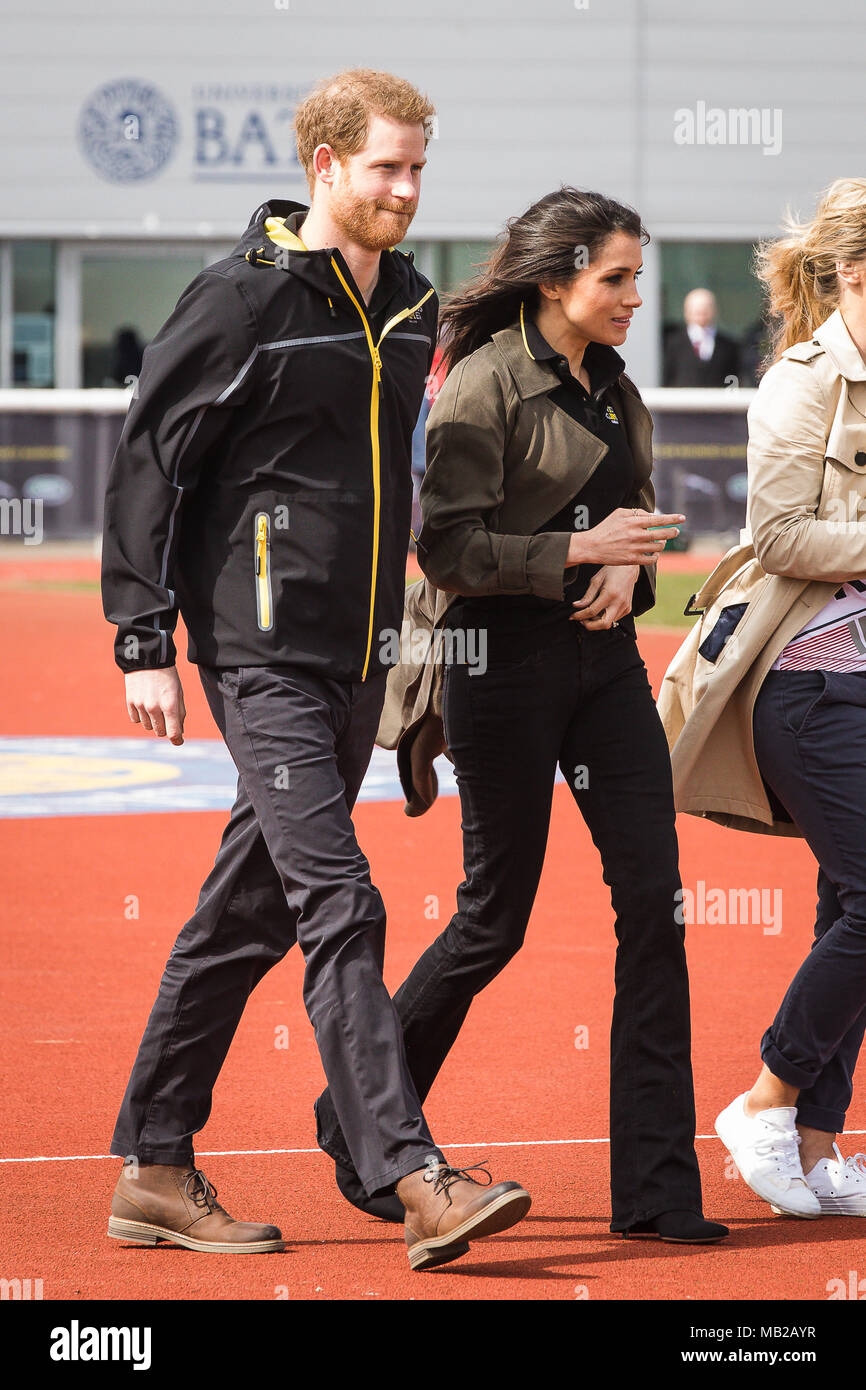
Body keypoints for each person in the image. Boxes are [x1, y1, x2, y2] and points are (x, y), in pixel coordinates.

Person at [100, 66, 530, 1271]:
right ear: (323, 166)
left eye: (416, 170)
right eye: (385, 167)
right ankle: (414, 1176)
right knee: (342, 902)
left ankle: (154, 1165)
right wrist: (143, 637)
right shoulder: (241, 302)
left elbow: (395, 492)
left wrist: (414, 662)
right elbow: (149, 461)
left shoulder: (407, 305)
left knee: (243, 917)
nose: (404, 188)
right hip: (259, 657)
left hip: (355, 660)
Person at [315, 186, 729, 1244]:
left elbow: (626, 529)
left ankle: (655, 1190)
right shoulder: (482, 385)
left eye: (635, 279)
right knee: (494, 914)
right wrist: (570, 560)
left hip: (605, 667)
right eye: (614, 280)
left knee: (653, 900)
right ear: (554, 281)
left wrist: (619, 580)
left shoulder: (615, 385)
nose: (633, 298)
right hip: (496, 668)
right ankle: (358, 1117)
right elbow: (444, 551)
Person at [658, 178, 866, 1219]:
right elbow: (779, 535)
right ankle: (766, 1097)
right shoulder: (800, 382)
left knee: (848, 901)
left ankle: (820, 1145)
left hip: (862, 682)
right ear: (857, 274)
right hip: (802, 681)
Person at [663, 288, 741, 387]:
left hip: (718, 401)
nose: (701, 314)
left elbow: (733, 379)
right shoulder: (673, 343)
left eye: (705, 309)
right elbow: (667, 378)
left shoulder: (728, 346)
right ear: (687, 312)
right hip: (682, 400)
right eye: (696, 310)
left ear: (714, 311)